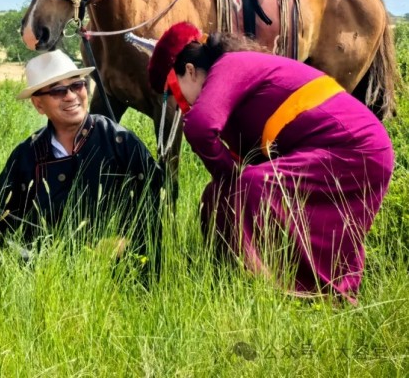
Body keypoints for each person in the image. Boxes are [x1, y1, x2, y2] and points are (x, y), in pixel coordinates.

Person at [147, 21, 394, 302]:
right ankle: (227, 276)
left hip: (354, 148)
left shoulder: (229, 66)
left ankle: (276, 290)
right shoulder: (234, 73)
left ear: (189, 71)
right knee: (218, 194)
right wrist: (227, 181)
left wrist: (230, 176)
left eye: (175, 93)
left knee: (253, 185)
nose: (182, 106)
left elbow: (200, 127)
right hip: (337, 148)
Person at [0, 50, 163, 258]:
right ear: (38, 104)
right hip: (46, 268)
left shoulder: (120, 141)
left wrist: (124, 242)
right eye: (57, 91)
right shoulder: (27, 154)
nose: (71, 96)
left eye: (77, 85)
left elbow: (154, 203)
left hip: (116, 269)